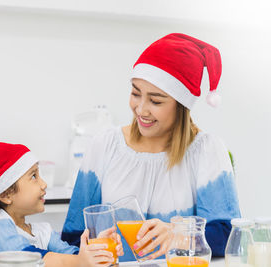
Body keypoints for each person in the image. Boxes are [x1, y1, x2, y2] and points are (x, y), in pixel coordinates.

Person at [61, 33, 241, 261]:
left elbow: (227, 233)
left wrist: (178, 235)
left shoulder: (206, 151)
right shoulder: (104, 146)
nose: (141, 109)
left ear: (181, 106)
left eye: (156, 101)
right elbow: (73, 237)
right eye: (136, 93)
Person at [0, 142, 123, 267]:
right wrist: (81, 262)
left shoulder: (42, 231)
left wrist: (99, 253)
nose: (44, 184)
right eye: (33, 176)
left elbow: (73, 256)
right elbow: (27, 259)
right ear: (6, 194)